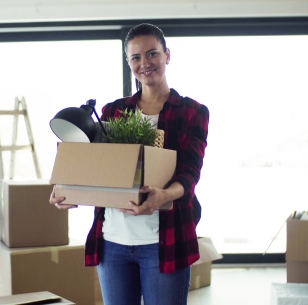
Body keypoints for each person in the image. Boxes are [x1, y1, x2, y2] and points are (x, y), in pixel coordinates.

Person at [49, 23, 209, 305]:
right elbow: (94, 164)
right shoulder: (113, 111)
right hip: (113, 244)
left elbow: (190, 171)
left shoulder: (192, 112)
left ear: (167, 55)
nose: (144, 64)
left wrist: (164, 195)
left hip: (163, 242)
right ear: (128, 62)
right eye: (136, 57)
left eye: (152, 54)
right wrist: (66, 188)